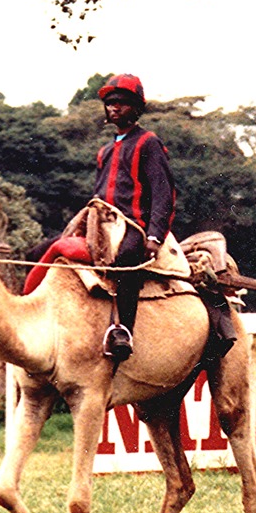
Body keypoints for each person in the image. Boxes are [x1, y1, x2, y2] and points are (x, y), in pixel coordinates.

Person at [94, 73, 175, 361]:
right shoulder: (104, 151)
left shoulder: (148, 142)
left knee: (126, 257)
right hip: (102, 223)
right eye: (110, 103)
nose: (115, 107)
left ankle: (123, 332)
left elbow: (164, 193)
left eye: (122, 103)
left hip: (134, 226)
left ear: (137, 108)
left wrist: (154, 236)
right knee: (48, 251)